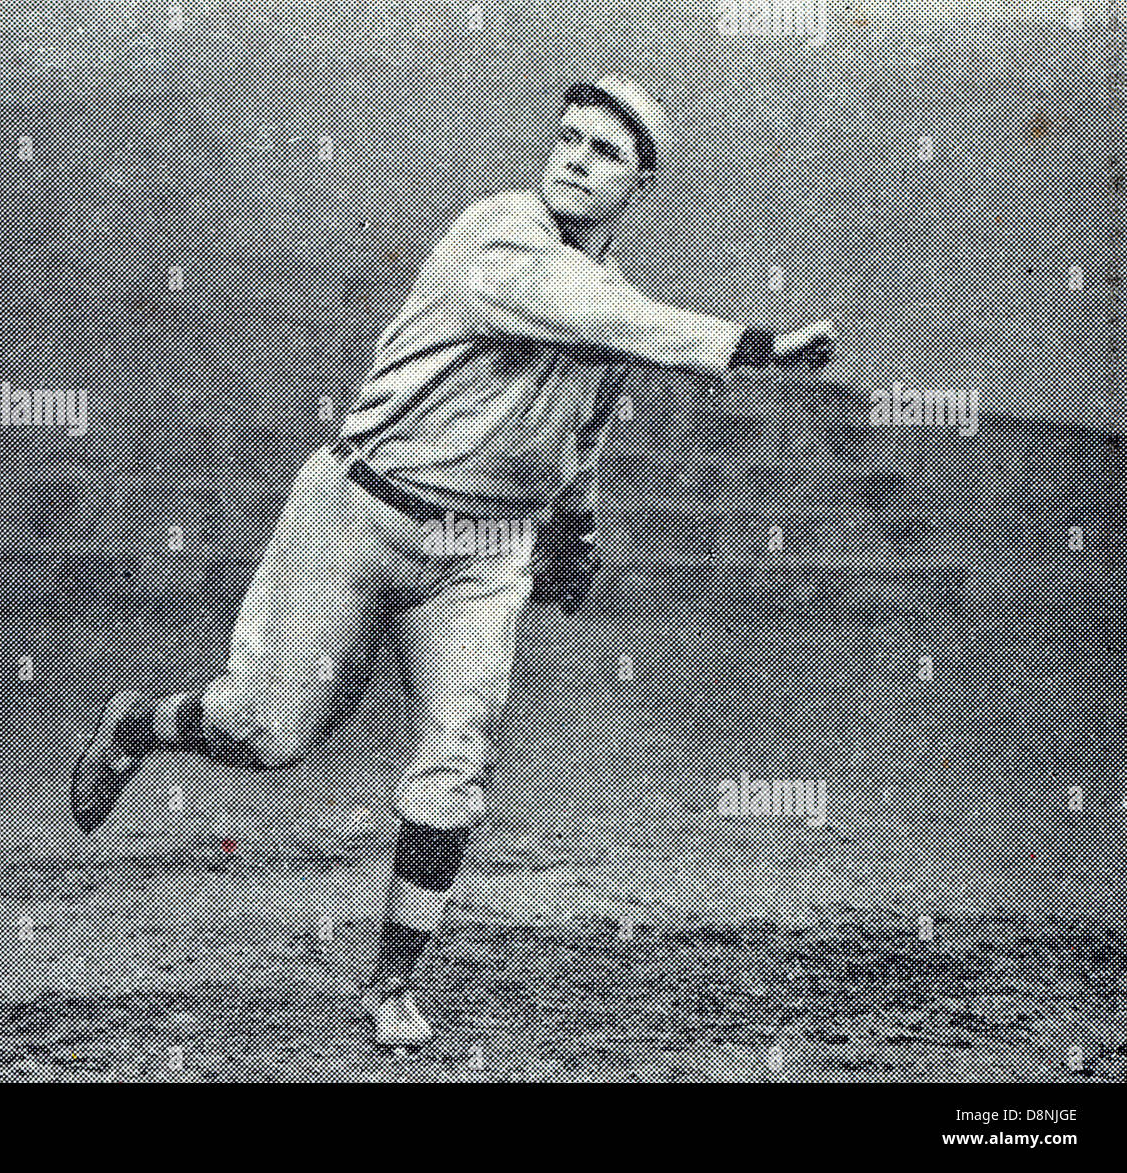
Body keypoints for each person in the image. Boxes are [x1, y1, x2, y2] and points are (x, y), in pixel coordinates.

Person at [70, 75, 834, 1047]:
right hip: (361, 514)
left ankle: (391, 983)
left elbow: (582, 431)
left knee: (456, 763)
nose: (573, 157)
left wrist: (577, 531)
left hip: (481, 554)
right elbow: (600, 316)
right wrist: (755, 347)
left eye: (603, 151)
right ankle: (136, 722)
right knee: (269, 734)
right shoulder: (501, 235)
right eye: (566, 137)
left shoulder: (611, 307)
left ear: (640, 186)